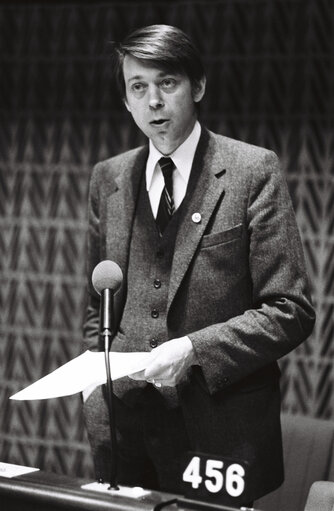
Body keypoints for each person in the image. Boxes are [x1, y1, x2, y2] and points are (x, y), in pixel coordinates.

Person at [82, 24, 315, 505]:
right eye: (138, 87)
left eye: (168, 83)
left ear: (198, 86)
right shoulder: (108, 178)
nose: (154, 102)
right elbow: (97, 303)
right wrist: (94, 383)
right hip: (123, 432)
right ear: (126, 101)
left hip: (217, 433)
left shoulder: (253, 171)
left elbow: (290, 309)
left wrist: (192, 348)